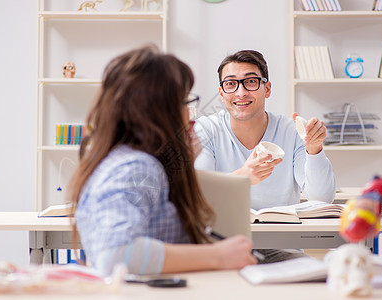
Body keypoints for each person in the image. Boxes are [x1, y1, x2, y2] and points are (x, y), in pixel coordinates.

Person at [69, 45, 257, 276]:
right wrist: (218, 255)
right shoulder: (136, 166)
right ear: (159, 109)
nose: (190, 114)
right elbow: (114, 254)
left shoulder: (131, 161)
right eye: (184, 101)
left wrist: (180, 159)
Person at [194, 50, 336, 210]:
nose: (241, 93)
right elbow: (197, 194)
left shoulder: (291, 131)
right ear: (221, 94)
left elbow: (322, 199)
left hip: (282, 233)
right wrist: (242, 177)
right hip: (224, 233)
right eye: (230, 84)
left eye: (251, 81)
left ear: (267, 89)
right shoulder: (205, 130)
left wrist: (314, 149)